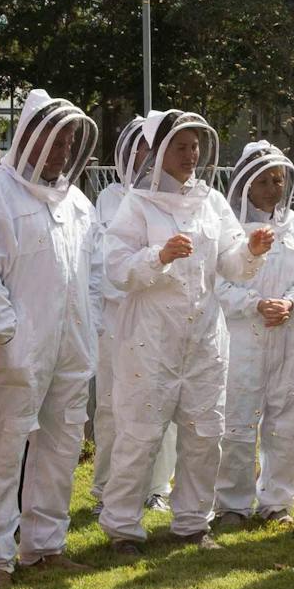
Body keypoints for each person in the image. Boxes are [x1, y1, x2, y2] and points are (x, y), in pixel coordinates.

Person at [99, 111, 274, 552]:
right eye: (181, 146)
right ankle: (122, 527)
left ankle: (193, 523)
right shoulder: (136, 205)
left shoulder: (212, 202)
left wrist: (250, 251)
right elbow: (116, 269)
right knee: (139, 434)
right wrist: (158, 256)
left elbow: (230, 263)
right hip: (150, 339)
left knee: (203, 432)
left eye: (195, 145)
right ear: (158, 152)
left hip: (203, 340)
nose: (191, 154)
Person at [0, 90, 98, 589]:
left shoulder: (77, 202)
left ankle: (45, 547)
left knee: (61, 445)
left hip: (72, 347)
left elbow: (93, 275)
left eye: (70, 141)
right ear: (29, 137)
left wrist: (89, 327)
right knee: (4, 447)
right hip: (18, 351)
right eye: (54, 139)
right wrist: (6, 336)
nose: (61, 151)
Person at [215, 141, 294, 528]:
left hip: (290, 338)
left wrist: (292, 302)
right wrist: (256, 304)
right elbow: (218, 286)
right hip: (242, 338)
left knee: (289, 421)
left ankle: (278, 502)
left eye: (279, 180)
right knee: (237, 420)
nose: (273, 188)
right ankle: (231, 503)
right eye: (264, 181)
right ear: (245, 184)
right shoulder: (227, 229)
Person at [88, 114, 173, 509]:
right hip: (116, 320)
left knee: (162, 403)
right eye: (142, 147)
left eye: (155, 149)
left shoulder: (173, 200)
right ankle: (106, 486)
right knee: (111, 405)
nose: (148, 155)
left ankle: (155, 487)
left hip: (160, 320)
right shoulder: (108, 199)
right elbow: (105, 264)